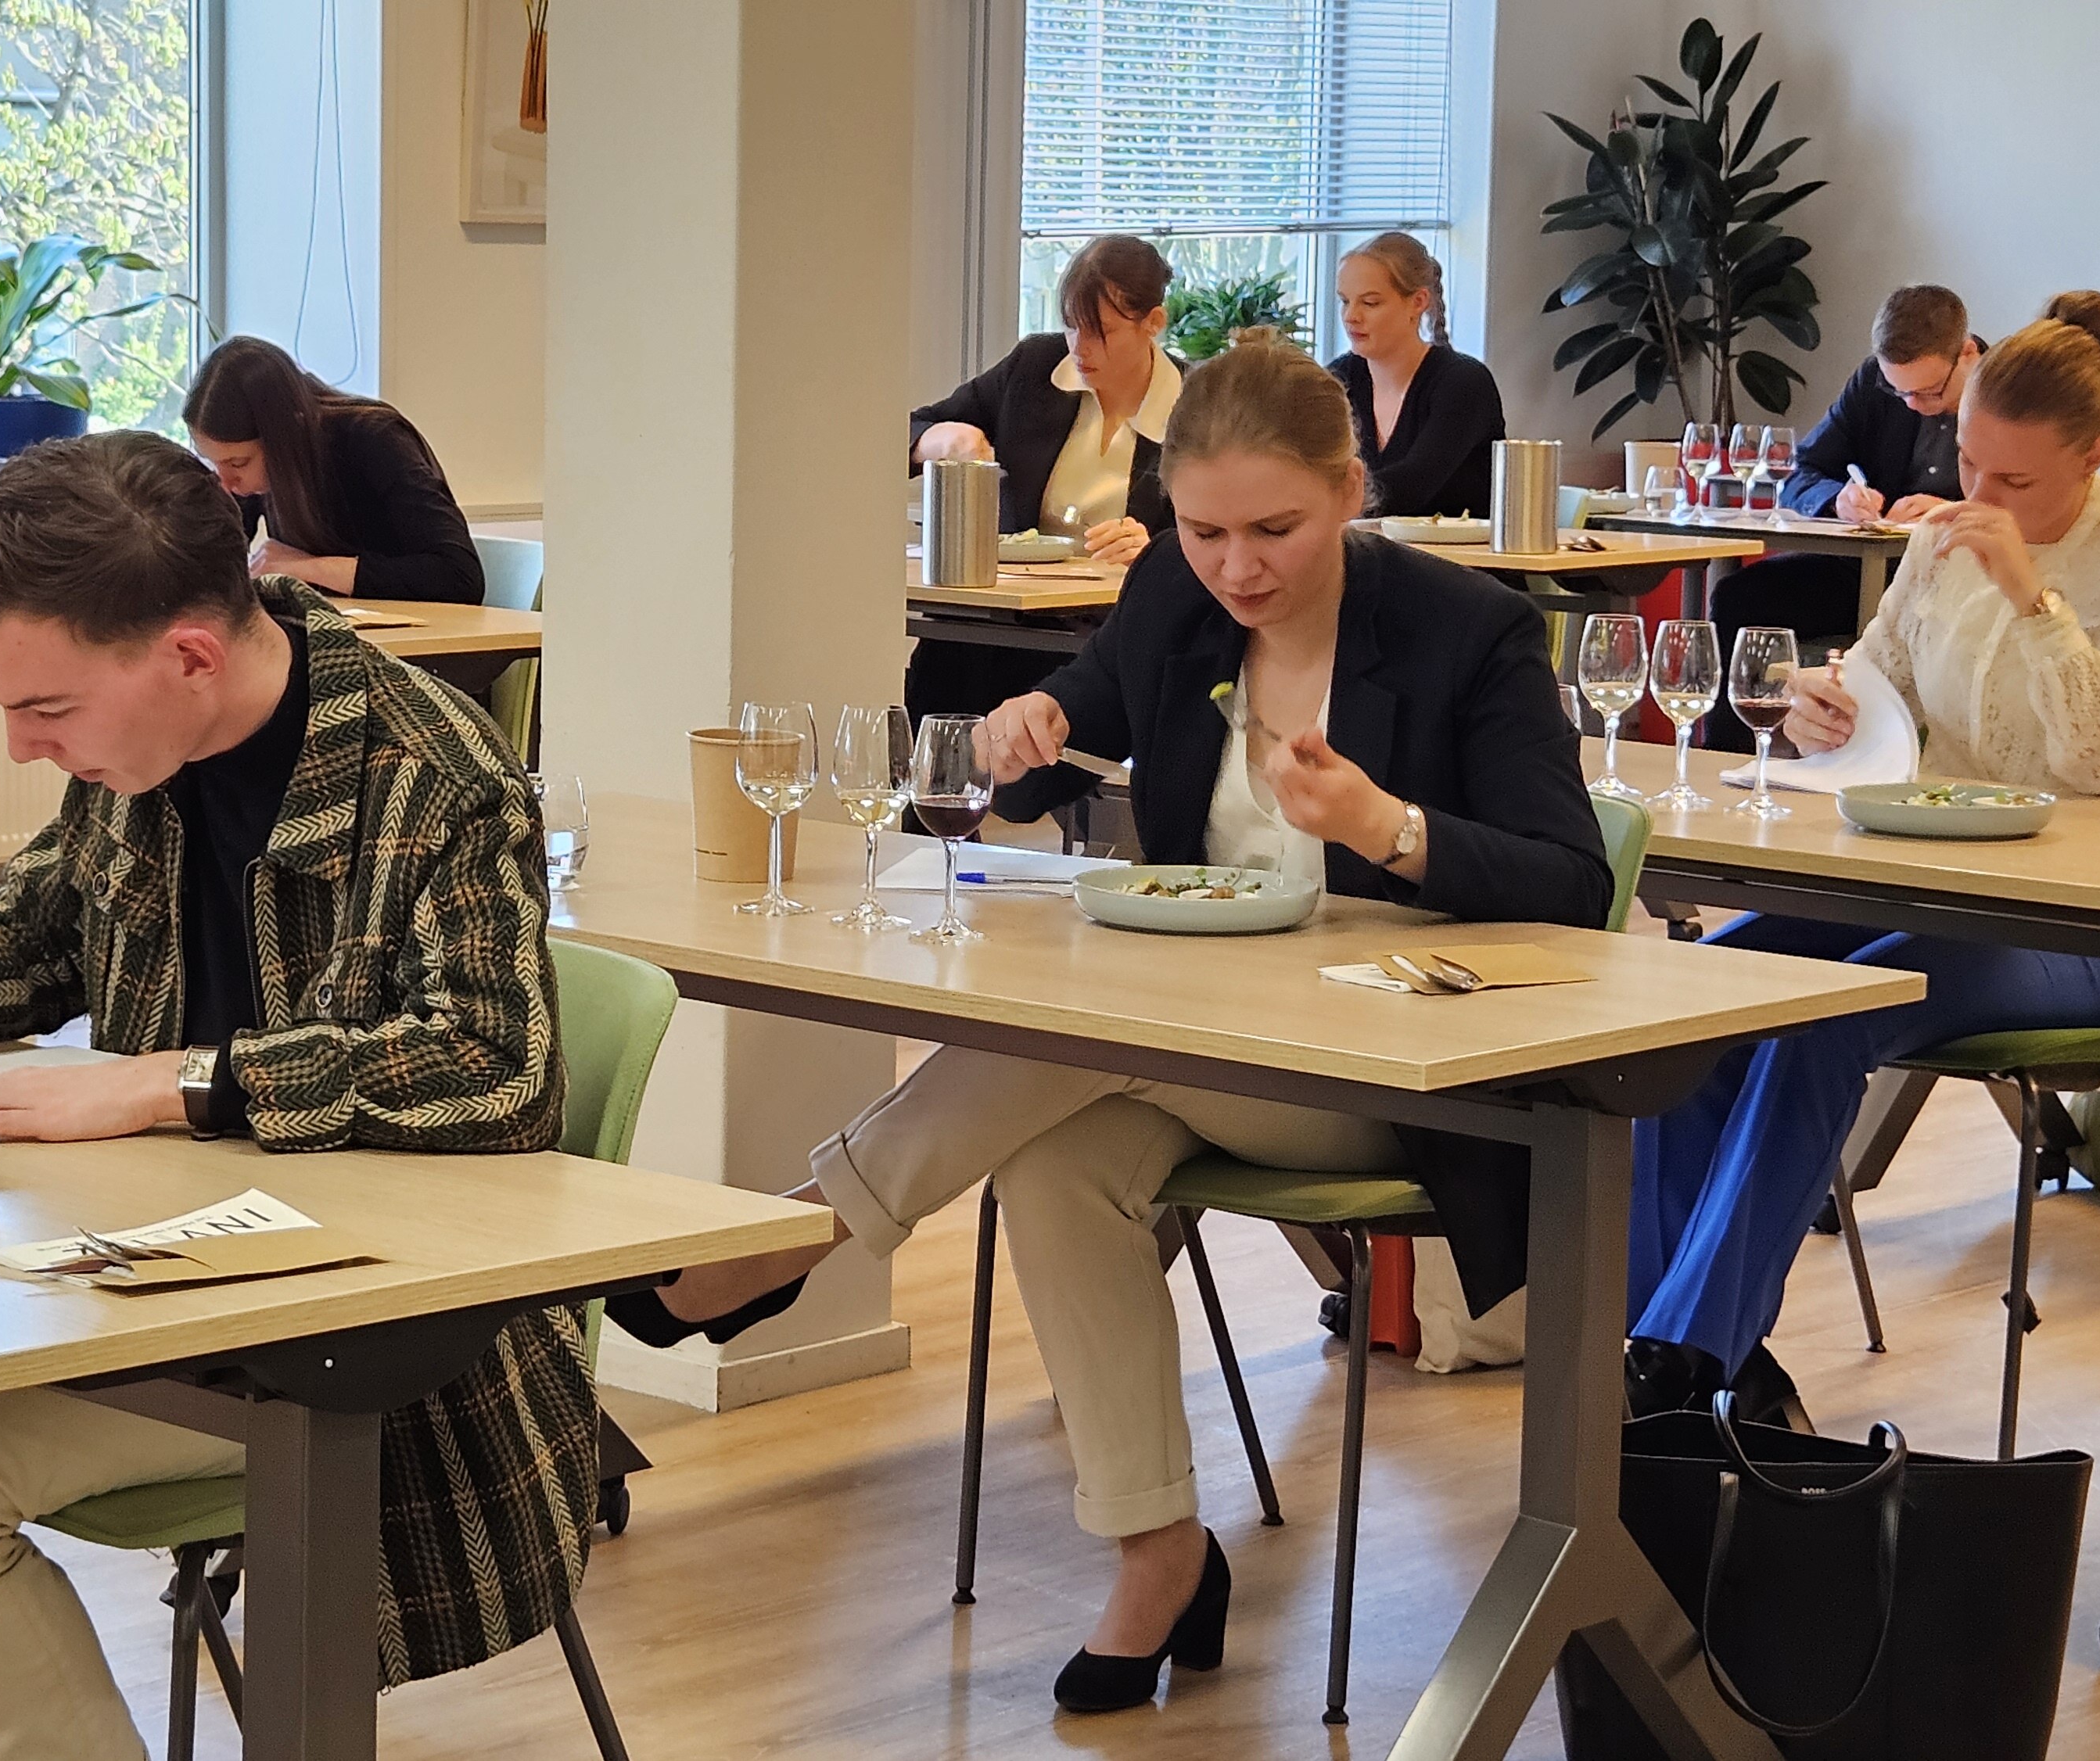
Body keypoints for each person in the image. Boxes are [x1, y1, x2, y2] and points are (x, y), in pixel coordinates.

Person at [614, 328, 1610, 1715]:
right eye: (1204, 532)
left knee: (1077, 1039)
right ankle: (1158, 1551)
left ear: (1349, 491)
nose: (1236, 567)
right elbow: (1073, 720)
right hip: (1188, 1038)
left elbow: (1572, 882)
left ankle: (801, 1230)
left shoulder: (1468, 632)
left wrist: (1386, 824)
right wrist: (1024, 721)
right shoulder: (1177, 599)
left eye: (1275, 530)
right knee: (1055, 1156)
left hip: (1393, 1067)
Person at [0, 431, 586, 1761]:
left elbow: (498, 1067)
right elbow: (44, 920)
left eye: (44, 711)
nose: (20, 749)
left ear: (191, 655)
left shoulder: (432, 776)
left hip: (361, 1332)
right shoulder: (146, 750)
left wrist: (181, 1083)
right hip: (138, 1273)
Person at [1628, 292, 2100, 1426]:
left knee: (1824, 1021)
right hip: (1933, 886)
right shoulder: (1938, 543)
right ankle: (1676, 1343)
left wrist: (2033, 599)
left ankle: (1682, 1363)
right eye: (1969, 464)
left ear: (2093, 457)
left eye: (2015, 480)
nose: (1979, 498)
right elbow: (1883, 696)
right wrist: (1826, 707)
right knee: (1692, 1006)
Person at [904, 235, 1186, 723]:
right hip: (993, 630)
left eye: (1101, 331)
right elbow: (908, 430)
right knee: (945, 689)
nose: (1080, 347)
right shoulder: (1034, 369)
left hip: (1104, 643)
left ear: (1153, 323)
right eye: (1071, 326)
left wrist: (1157, 549)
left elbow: (1220, 534)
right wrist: (936, 441)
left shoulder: (1193, 404)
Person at [1703, 285, 1983, 747]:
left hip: (1956, 577)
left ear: (1968, 354)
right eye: (1899, 391)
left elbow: (2029, 501)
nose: (1911, 404)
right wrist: (1838, 498)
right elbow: (1799, 471)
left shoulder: (2006, 390)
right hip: (1866, 569)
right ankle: (1730, 759)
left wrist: (1953, 512)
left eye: (1928, 392)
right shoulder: (1873, 383)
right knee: (1740, 598)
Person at [183, 334, 485, 604]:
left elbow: (460, 576)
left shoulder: (375, 438)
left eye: (238, 463)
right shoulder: (250, 479)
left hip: (422, 638)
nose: (226, 482)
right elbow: (213, 567)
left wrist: (309, 568)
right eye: (212, 462)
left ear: (286, 435)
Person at [1324, 231, 1504, 518]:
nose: (1351, 316)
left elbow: (1413, 485)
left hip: (1457, 547)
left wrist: (1317, 501)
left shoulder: (1464, 383)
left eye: (1370, 303)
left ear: (1418, 302)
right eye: (1345, 301)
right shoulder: (1338, 379)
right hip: (1363, 543)